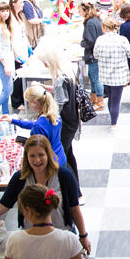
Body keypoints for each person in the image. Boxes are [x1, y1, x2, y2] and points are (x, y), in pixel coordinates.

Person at [0, 135, 90, 258]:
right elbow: (3, 205)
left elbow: (74, 208)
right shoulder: (20, 178)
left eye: (41, 155)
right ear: (26, 157)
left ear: (48, 154)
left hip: (61, 237)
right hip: (31, 240)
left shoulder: (64, 176)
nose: (37, 160)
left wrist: (83, 236)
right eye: (32, 156)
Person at [34, 46, 81, 182]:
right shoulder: (68, 72)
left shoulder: (60, 79)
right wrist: (47, 88)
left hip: (65, 123)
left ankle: (75, 191)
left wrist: (47, 119)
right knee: (69, 154)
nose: (45, 66)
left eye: (46, 63)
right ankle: (76, 189)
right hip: (72, 121)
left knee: (64, 159)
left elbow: (58, 105)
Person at [1, 86, 65, 168]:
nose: (28, 105)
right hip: (60, 157)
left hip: (49, 164)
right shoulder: (54, 115)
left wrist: (23, 143)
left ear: (35, 103)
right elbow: (34, 124)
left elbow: (36, 149)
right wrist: (13, 121)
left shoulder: (39, 125)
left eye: (28, 102)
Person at [94, 17, 130, 125]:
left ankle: (112, 119)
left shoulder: (100, 40)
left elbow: (95, 55)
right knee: (116, 100)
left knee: (110, 99)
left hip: (105, 75)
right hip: (119, 75)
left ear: (104, 27)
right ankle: (114, 122)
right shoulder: (122, 40)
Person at [0, 1, 22, 114]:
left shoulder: (4, 25)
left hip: (7, 61)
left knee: (5, 89)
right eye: (2, 11)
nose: (5, 13)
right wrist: (6, 65)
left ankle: (5, 113)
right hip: (2, 62)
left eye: (7, 10)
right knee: (8, 90)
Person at [77, 2, 106, 111]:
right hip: (96, 54)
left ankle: (100, 100)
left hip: (93, 54)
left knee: (95, 78)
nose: (78, 13)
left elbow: (90, 41)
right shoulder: (96, 20)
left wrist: (81, 43)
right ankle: (93, 97)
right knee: (92, 76)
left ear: (86, 11)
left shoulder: (89, 23)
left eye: (80, 11)